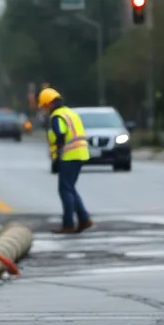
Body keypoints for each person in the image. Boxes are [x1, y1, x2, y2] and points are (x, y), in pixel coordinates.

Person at [39, 88, 94, 235]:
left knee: (65, 190)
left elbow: (61, 135)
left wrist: (57, 156)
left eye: (44, 106)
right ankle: (84, 219)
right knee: (70, 188)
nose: (45, 110)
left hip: (68, 155)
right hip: (80, 153)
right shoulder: (70, 112)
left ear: (49, 104)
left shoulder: (57, 116)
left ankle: (68, 224)